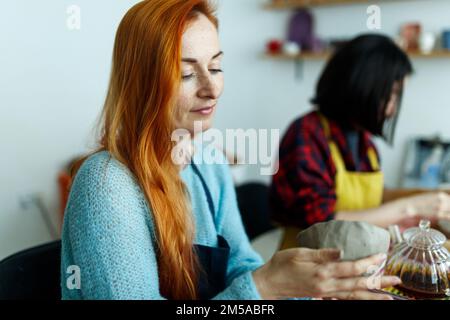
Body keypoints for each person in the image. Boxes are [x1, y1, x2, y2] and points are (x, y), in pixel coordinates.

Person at [61, 1, 400, 300]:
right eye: (187, 73)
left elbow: (242, 266)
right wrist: (265, 287)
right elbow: (253, 287)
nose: (212, 89)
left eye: (216, 67)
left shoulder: (208, 164)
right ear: (141, 84)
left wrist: (310, 289)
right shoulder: (106, 186)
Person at [270, 34, 450, 250]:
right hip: (306, 273)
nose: (393, 108)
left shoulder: (365, 142)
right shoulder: (306, 135)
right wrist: (409, 207)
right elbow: (322, 223)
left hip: (353, 266)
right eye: (391, 94)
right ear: (362, 84)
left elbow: (375, 197)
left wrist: (427, 196)